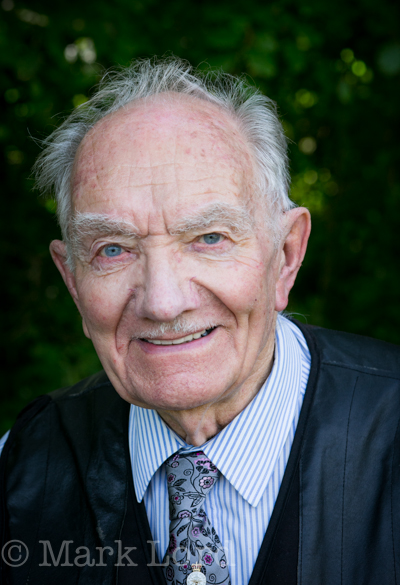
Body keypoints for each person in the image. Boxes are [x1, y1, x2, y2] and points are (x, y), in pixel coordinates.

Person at [0, 57, 399, 585]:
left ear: (285, 256)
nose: (163, 303)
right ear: (73, 280)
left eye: (210, 238)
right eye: (113, 249)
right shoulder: (19, 466)